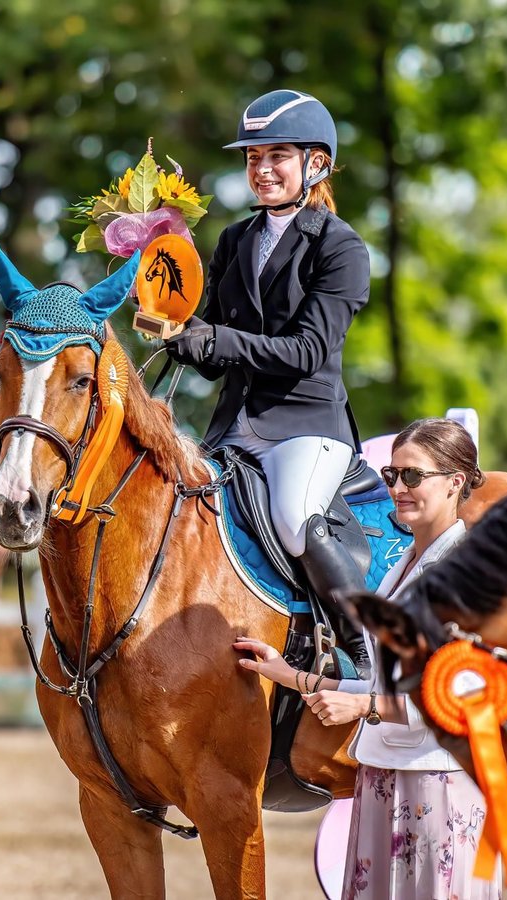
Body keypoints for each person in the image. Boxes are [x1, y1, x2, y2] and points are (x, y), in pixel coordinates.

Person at [234, 418, 502, 900]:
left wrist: (363, 709)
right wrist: (288, 674)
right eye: (391, 476)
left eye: (413, 477)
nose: (397, 489)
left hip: (437, 784)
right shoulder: (400, 569)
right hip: (381, 778)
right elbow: (386, 683)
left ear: (456, 482)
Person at [165, 89, 373, 669]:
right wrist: (176, 326)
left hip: (306, 426)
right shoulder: (235, 240)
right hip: (233, 426)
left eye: (277, 155)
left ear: (317, 163)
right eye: (253, 158)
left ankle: (365, 650)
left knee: (293, 514)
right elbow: (213, 354)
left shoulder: (341, 247)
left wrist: (217, 340)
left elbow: (307, 350)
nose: (261, 170)